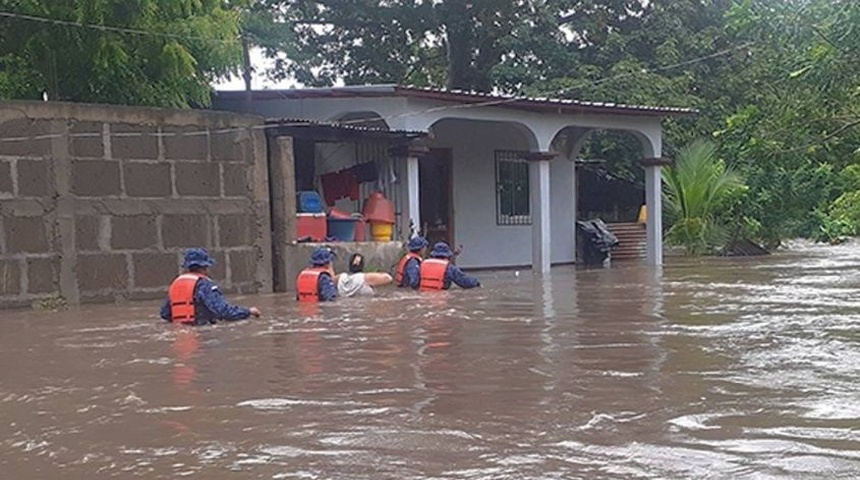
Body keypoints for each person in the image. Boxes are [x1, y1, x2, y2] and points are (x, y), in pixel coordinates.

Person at [160, 248, 261, 325]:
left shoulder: (176, 284)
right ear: (205, 267)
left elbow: (165, 314)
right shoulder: (204, 284)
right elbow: (223, 311)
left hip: (181, 337)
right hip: (202, 333)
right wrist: (248, 312)